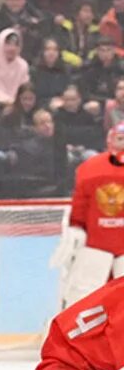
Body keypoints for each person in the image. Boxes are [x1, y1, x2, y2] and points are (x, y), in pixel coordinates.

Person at [48, 122, 124, 308]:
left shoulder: (90, 167)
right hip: (95, 247)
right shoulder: (90, 167)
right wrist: (76, 227)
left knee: (83, 298)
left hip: (98, 247)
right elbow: (80, 205)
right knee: (83, 299)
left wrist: (76, 225)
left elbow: (79, 206)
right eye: (121, 139)